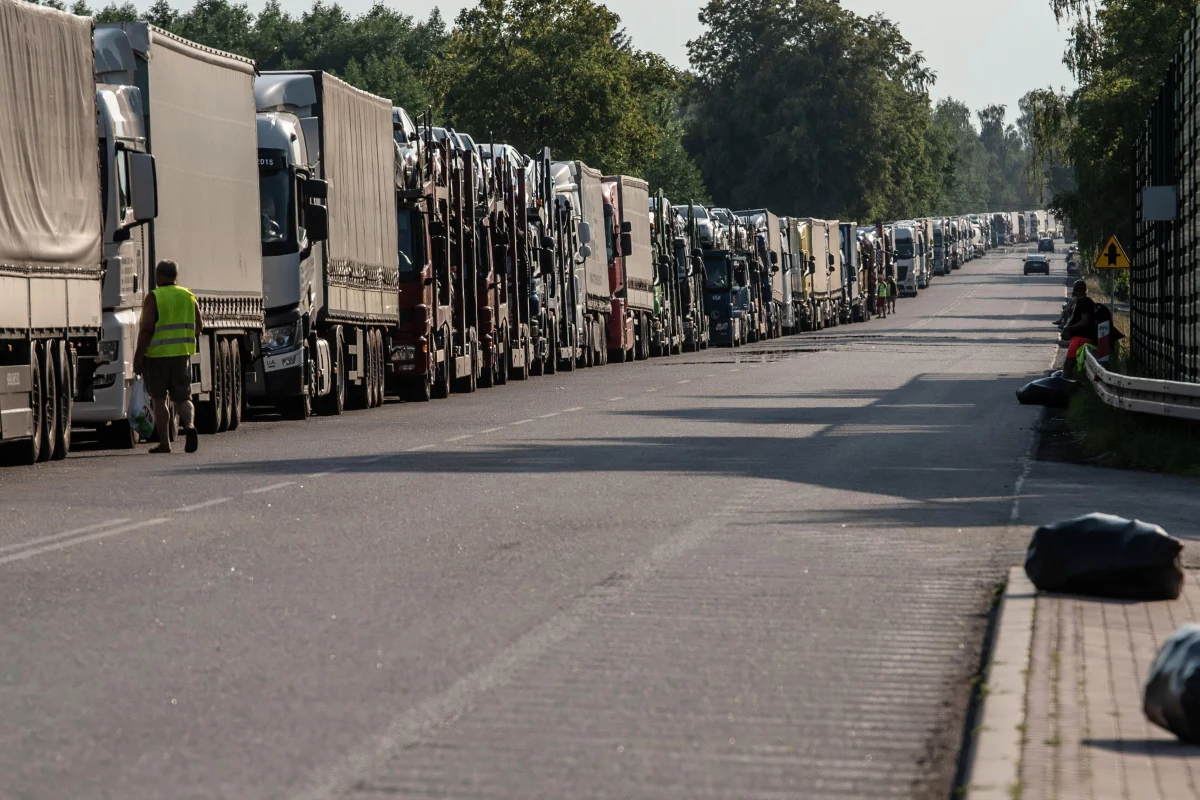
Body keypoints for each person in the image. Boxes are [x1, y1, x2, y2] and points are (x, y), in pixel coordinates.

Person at [132, 260, 202, 453]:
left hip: (157, 357)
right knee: (183, 398)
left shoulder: (154, 297)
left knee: (159, 399)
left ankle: (165, 443)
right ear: (175, 276)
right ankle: (189, 426)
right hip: (181, 356)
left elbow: (146, 329)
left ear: (159, 276)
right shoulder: (188, 296)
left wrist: (138, 358)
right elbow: (199, 325)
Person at [1061, 279, 1097, 379]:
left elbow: (1085, 321)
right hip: (1079, 338)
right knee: (1071, 365)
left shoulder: (1084, 303)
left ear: (1076, 290)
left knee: (1068, 364)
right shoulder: (1082, 302)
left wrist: (1070, 328)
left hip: (1080, 339)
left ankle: (1065, 384)